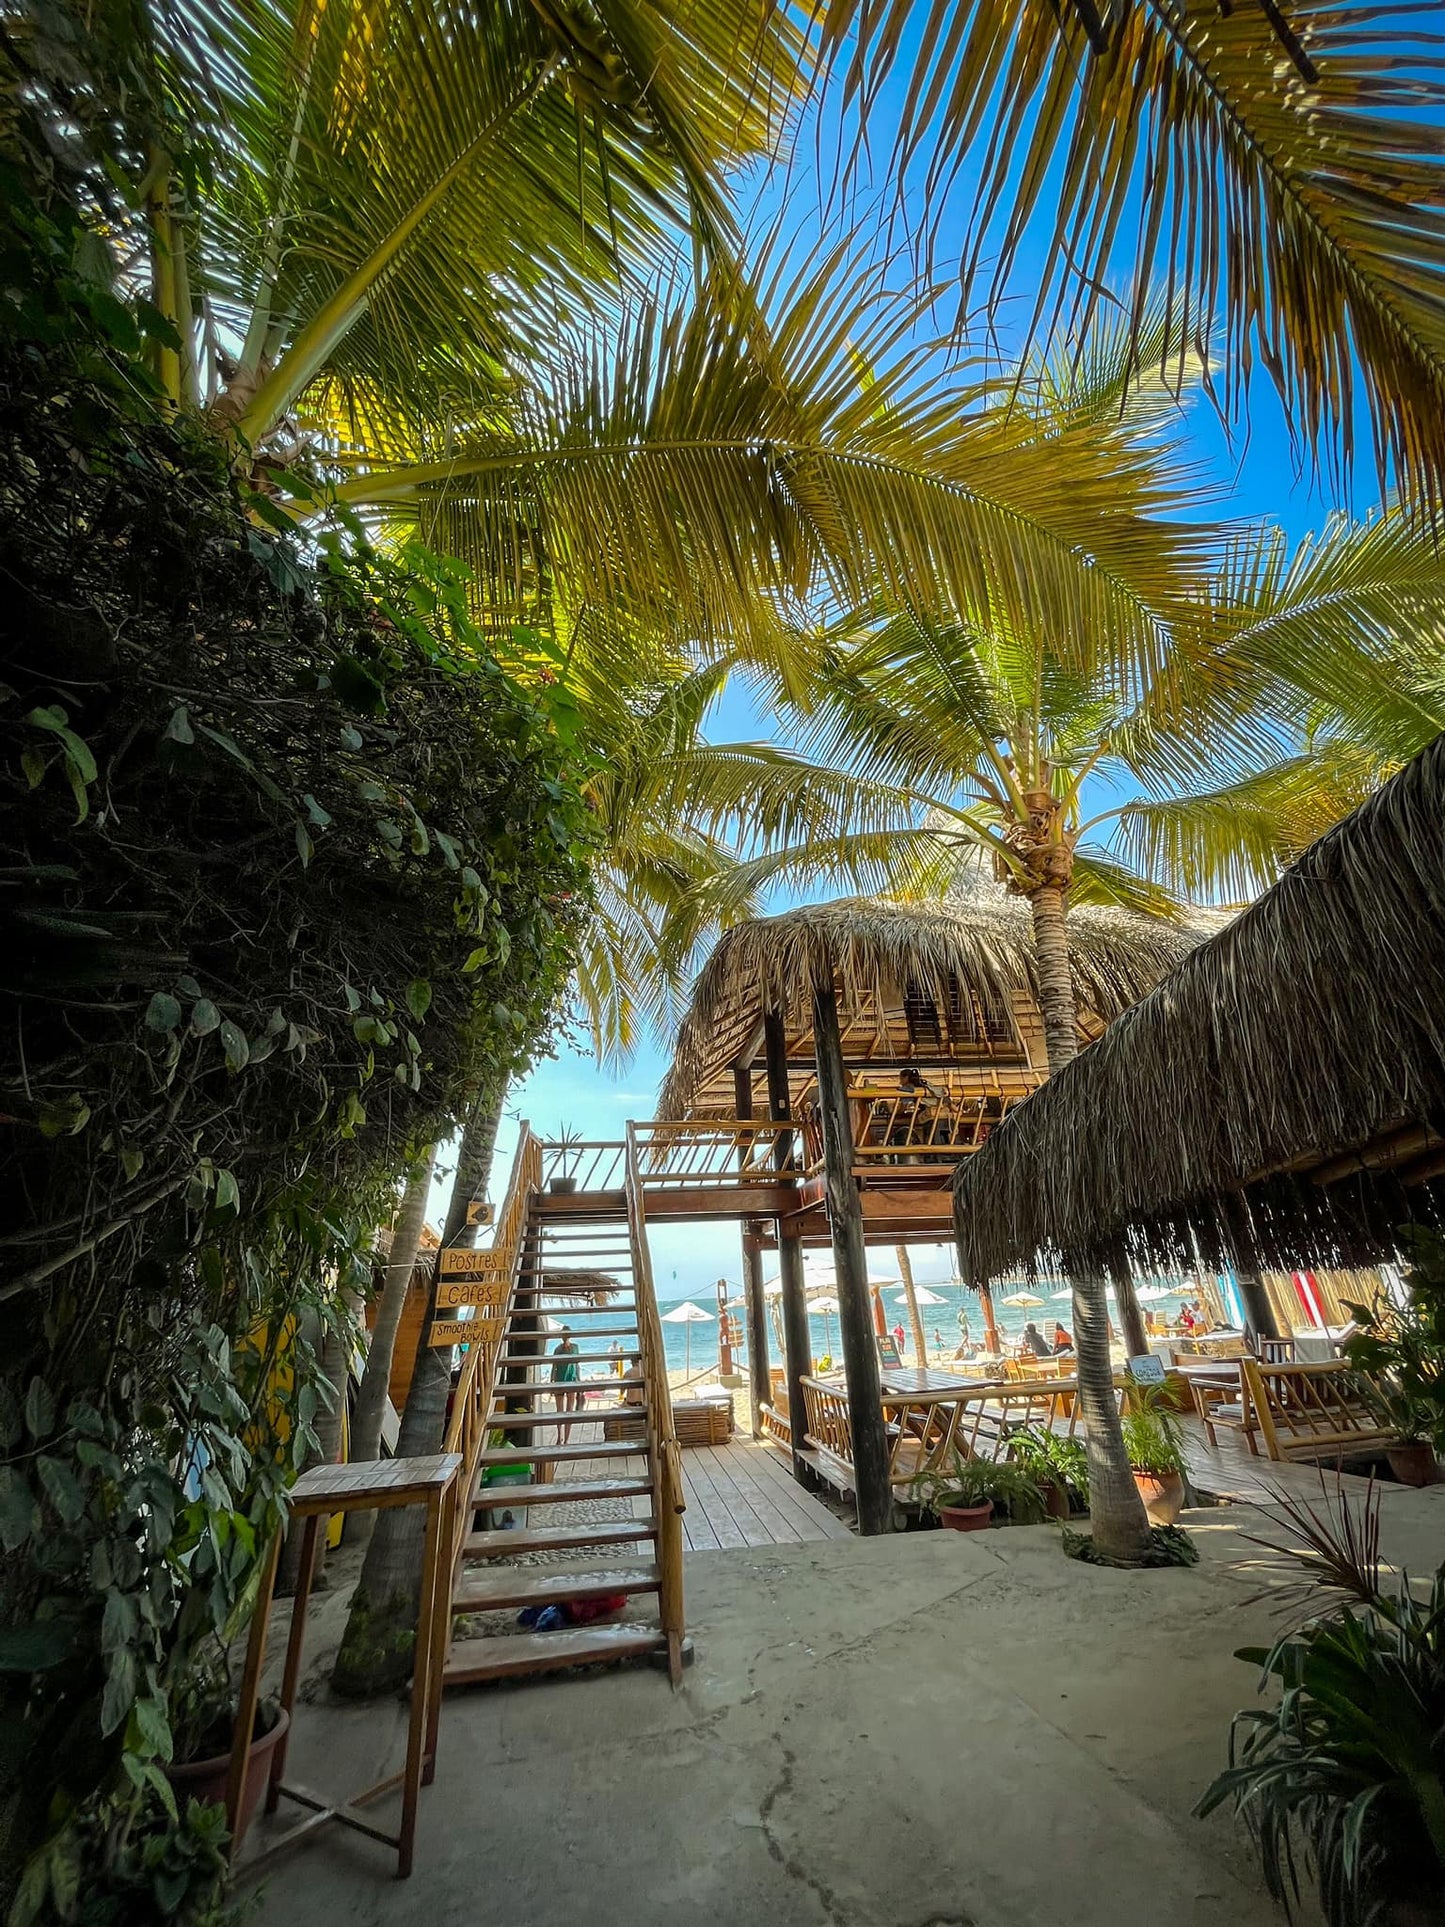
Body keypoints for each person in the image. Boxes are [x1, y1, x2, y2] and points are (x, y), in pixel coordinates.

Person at [550, 1328, 581, 1441]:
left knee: (569, 1411)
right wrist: (551, 1382)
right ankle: (559, 1436)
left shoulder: (575, 1348)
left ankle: (566, 1439)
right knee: (560, 1411)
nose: (564, 1338)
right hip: (559, 1380)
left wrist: (579, 1380)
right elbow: (554, 1367)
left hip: (571, 1379)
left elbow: (577, 1365)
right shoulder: (557, 1349)